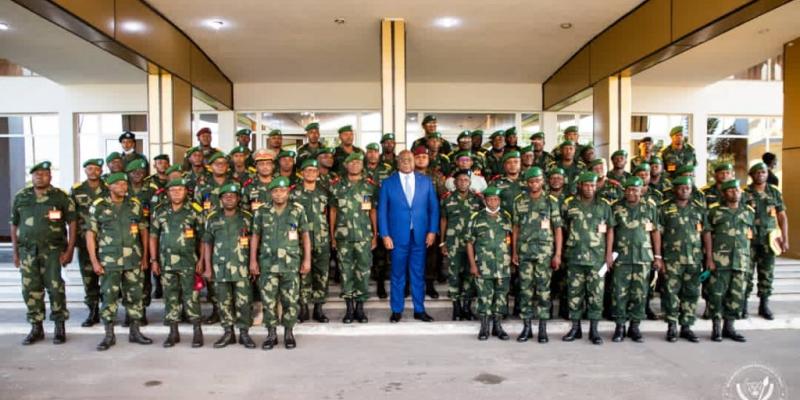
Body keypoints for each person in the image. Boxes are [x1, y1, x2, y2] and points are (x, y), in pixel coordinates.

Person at [11, 161, 76, 345]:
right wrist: (15, 252)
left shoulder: (60, 197)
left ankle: (59, 326)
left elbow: (72, 222)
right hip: (27, 252)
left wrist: (70, 250)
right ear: (32, 177)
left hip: (53, 252)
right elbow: (14, 223)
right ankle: (36, 327)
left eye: (44, 173)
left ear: (50, 176)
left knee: (56, 289)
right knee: (31, 290)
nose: (40, 176)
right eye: (36, 174)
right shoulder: (21, 196)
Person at [87, 172, 152, 351]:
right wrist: (94, 261)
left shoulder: (134, 205)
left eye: (125, 184)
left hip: (133, 259)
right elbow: (90, 234)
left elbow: (143, 231)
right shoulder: (98, 206)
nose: (123, 187)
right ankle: (109, 334)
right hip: (110, 260)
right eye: (119, 184)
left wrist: (145, 256)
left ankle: (135, 331)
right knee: (109, 297)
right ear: (109, 186)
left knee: (135, 296)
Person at [378, 150, 439, 323]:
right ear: (398, 162)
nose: (406, 162)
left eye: (410, 159)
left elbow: (433, 208)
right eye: (403, 159)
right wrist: (385, 235)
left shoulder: (426, 182)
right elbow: (382, 211)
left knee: (418, 274)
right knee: (397, 274)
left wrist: (432, 231)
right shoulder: (388, 183)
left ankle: (419, 310)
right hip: (397, 237)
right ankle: (397, 310)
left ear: (414, 162)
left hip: (420, 236)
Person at [250, 176, 311, 350]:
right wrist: (253, 260)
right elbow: (255, 236)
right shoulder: (262, 211)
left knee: (290, 300)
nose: (279, 194)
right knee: (268, 301)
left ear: (288, 192)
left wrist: (307, 259)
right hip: (267, 263)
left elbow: (305, 235)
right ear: (270, 193)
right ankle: (271, 334)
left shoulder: (297, 210)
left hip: (290, 263)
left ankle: (289, 333)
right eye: (275, 191)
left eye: (282, 190)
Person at [149, 178, 205, 348]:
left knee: (191, 297)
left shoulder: (194, 210)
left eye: (180, 190)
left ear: (186, 192)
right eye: (173, 190)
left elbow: (203, 238)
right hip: (167, 263)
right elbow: (153, 236)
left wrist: (201, 259)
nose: (176, 193)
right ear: (167, 193)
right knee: (170, 297)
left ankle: (197, 331)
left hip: (189, 262)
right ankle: (173, 332)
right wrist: (154, 260)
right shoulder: (160, 211)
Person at [561, 172, 614, 345]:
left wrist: (608, 255)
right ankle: (575, 328)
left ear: (596, 186)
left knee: (596, 295)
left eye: (592, 185)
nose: (589, 188)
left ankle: (594, 330)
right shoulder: (569, 204)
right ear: (580, 186)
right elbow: (562, 228)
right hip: (575, 256)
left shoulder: (604, 205)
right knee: (574, 294)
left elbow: (610, 230)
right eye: (586, 185)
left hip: (597, 258)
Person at [609, 177, 663, 343]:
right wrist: (609, 254)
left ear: (642, 191)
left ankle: (635, 327)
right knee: (619, 293)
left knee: (640, 293)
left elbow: (655, 232)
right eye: (628, 189)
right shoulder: (615, 207)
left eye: (635, 189)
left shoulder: (650, 207)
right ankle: (619, 327)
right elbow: (610, 231)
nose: (631, 192)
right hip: (621, 257)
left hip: (642, 258)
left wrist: (658, 256)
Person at [512, 167, 563, 343]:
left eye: (537, 181)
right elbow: (516, 228)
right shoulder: (519, 201)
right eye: (531, 181)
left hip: (544, 253)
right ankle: (526, 327)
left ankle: (542, 328)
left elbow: (557, 229)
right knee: (525, 290)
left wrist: (557, 254)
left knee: (543, 291)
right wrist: (514, 252)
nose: (534, 184)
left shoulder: (551, 201)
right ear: (527, 183)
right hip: (525, 252)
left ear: (543, 181)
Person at [202, 183, 256, 349]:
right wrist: (208, 267)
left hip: (242, 266)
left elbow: (255, 240)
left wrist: (254, 262)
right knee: (223, 301)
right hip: (220, 268)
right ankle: (228, 333)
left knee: (244, 301)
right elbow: (207, 243)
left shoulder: (247, 217)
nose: (229, 199)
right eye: (226, 196)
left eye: (233, 196)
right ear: (220, 200)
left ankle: (244, 333)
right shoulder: (212, 218)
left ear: (238, 198)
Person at [330, 152, 378, 323]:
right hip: (343, 237)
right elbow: (333, 211)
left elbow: (373, 211)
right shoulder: (337, 186)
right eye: (351, 163)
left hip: (364, 236)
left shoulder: (369, 186)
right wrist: (332, 236)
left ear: (362, 165)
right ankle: (349, 308)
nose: (355, 165)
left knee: (363, 271)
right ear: (345, 166)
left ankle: (360, 308)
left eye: (358, 162)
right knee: (345, 272)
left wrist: (374, 234)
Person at [704, 179, 753, 342]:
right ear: (724, 194)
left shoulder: (748, 212)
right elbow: (707, 234)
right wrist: (709, 258)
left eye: (737, 190)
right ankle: (716, 327)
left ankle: (729, 327)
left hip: (741, 261)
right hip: (720, 261)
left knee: (736, 295)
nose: (735, 193)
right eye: (731, 190)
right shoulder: (714, 212)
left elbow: (751, 237)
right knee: (717, 294)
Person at [659, 176, 706, 342]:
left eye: (687, 187)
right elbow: (658, 233)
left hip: (693, 259)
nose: (684, 190)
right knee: (671, 294)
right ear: (675, 189)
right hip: (672, 259)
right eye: (681, 187)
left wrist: (707, 256)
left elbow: (705, 232)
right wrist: (659, 257)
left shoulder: (699, 208)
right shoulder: (664, 208)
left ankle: (686, 326)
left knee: (691, 293)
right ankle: (672, 326)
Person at [744, 162, 788, 319]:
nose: (760, 175)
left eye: (763, 172)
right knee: (746, 274)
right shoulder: (744, 193)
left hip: (769, 240)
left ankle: (764, 305)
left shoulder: (774, 192)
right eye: (757, 172)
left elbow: (782, 216)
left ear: (767, 174)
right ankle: (743, 305)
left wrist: (785, 238)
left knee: (767, 274)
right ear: (751, 175)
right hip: (749, 241)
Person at [467, 186, 512, 340]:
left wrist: (512, 259)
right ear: (485, 201)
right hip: (483, 266)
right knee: (484, 296)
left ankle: (497, 327)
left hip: (503, 265)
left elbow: (512, 240)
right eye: (489, 199)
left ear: (499, 200)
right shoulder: (476, 218)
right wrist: (473, 265)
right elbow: (469, 243)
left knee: (500, 296)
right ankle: (484, 327)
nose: (493, 202)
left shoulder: (507, 217)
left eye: (495, 199)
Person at [291, 160, 333, 322]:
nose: (310, 173)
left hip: (322, 239)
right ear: (302, 173)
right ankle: (303, 308)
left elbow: (329, 213)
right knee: (303, 274)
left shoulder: (323, 191)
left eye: (314, 171)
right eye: (307, 171)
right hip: (301, 240)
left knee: (321, 274)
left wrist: (330, 236)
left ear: (317, 173)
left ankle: (318, 308)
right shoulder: (294, 192)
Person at [440, 169, 484, 320]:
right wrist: (443, 241)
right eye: (460, 180)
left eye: (466, 180)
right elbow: (444, 220)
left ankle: (467, 306)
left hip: (472, 243)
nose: (463, 182)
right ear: (454, 182)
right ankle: (456, 307)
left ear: (470, 182)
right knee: (454, 275)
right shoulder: (447, 199)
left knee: (470, 275)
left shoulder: (478, 200)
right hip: (454, 243)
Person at [70, 158, 106, 327]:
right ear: (85, 170)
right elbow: (72, 217)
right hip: (85, 241)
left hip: (106, 241)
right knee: (89, 278)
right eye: (90, 168)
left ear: (101, 170)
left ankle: (108, 310)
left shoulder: (108, 188)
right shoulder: (77, 190)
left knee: (108, 277)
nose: (93, 171)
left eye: (96, 168)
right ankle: (93, 311)